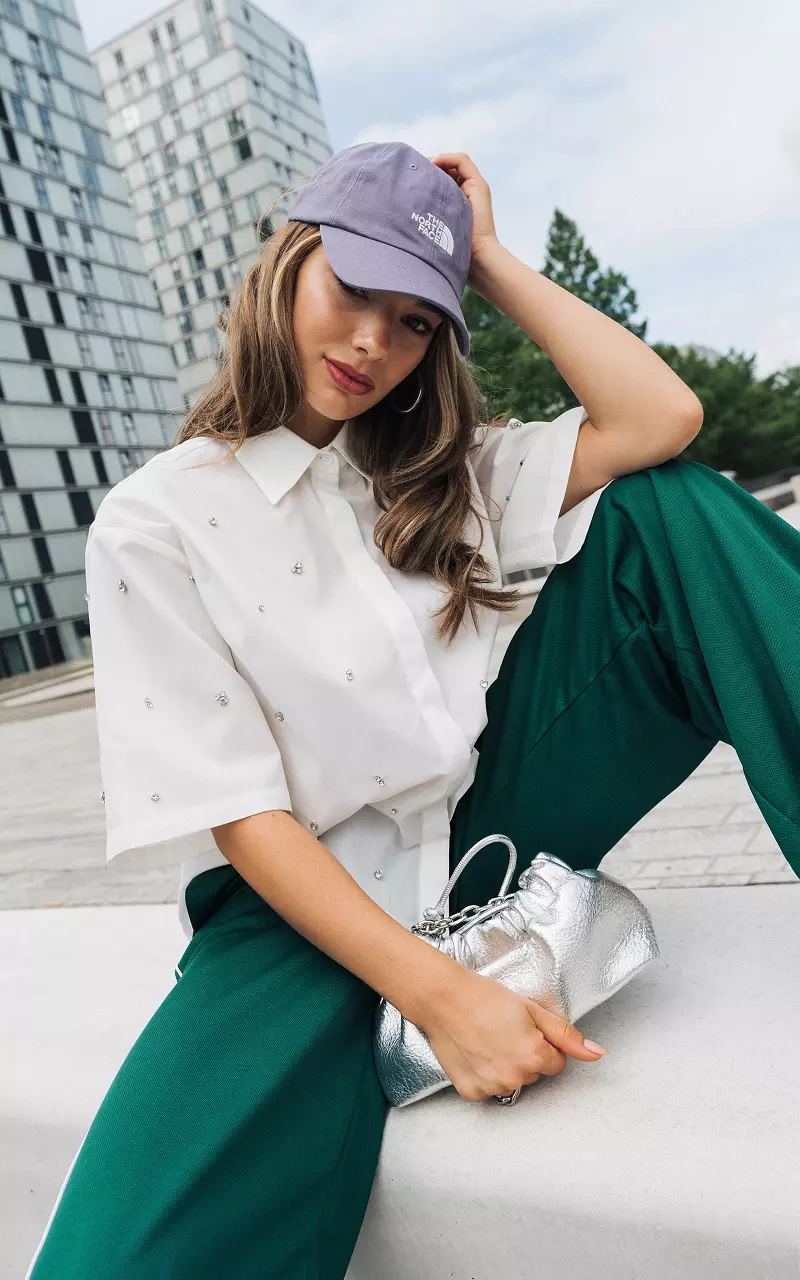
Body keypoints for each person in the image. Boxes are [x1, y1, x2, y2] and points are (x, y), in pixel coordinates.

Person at [27, 141, 800, 1280]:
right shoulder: (156, 520)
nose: (372, 345)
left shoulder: (444, 468)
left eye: (414, 322)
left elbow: (660, 419)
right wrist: (441, 994)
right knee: (120, 1256)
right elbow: (240, 811)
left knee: (670, 514)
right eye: (351, 291)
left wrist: (481, 260)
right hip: (306, 905)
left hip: (498, 811)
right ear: (286, 263)